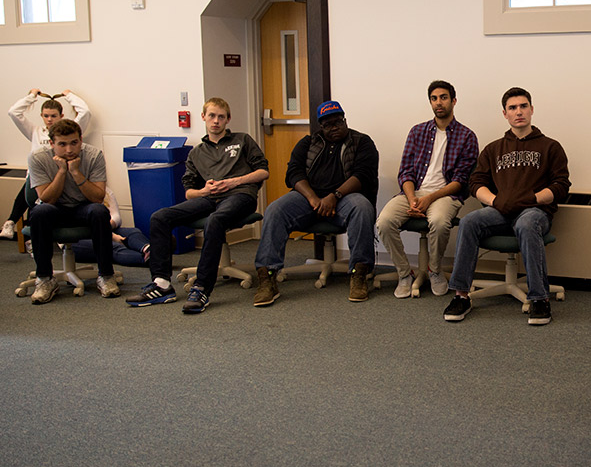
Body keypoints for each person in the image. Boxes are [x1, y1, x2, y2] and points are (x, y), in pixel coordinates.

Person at [126, 98, 269, 314]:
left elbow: (263, 172)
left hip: (240, 195)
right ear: (203, 117)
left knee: (216, 219)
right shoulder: (196, 152)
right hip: (209, 197)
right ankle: (162, 284)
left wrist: (233, 181)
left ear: (228, 119)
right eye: (211, 116)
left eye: (221, 117)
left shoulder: (242, 140)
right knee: (160, 217)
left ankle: (201, 287)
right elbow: (189, 191)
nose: (216, 121)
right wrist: (204, 191)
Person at [442, 87, 570, 326]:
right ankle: (460, 295)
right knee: (470, 221)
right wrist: (495, 201)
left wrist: (532, 199)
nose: (518, 112)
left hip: (535, 211)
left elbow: (561, 186)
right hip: (499, 211)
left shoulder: (550, 147)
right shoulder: (493, 149)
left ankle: (540, 299)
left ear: (531, 110)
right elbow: (476, 183)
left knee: (526, 222)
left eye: (523, 106)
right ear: (505, 113)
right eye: (512, 108)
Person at [253, 100, 378, 305]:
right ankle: (267, 277)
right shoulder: (308, 142)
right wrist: (313, 198)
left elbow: (363, 176)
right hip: (309, 198)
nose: (334, 127)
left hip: (345, 198)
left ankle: (359, 274)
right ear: (321, 126)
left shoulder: (362, 142)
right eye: (328, 124)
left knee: (362, 208)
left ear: (345, 120)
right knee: (275, 210)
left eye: (338, 121)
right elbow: (293, 173)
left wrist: (334, 196)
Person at [376, 80, 479, 298]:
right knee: (384, 222)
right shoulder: (417, 132)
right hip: (413, 192)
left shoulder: (467, 136)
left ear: (453, 101)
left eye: (443, 97)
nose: (438, 102)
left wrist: (429, 199)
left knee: (440, 223)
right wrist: (413, 198)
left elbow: (461, 180)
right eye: (434, 98)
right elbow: (405, 172)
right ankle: (404, 273)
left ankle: (434, 270)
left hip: (445, 194)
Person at [26, 119, 121, 304]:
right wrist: (62, 172)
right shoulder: (37, 157)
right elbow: (47, 198)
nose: (69, 150)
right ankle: (45, 279)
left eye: (74, 143)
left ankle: (106, 276)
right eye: (62, 144)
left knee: (99, 211)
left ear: (81, 140)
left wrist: (76, 173)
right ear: (52, 143)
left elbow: (97, 197)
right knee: (39, 212)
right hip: (55, 208)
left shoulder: (94, 155)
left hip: (83, 207)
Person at [2, 88, 91, 240]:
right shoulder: (35, 131)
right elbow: (13, 113)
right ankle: (12, 223)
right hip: (39, 175)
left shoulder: (70, 131)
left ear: (61, 116)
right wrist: (32, 96)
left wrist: (68, 96)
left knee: (42, 203)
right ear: (41, 116)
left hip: (63, 174)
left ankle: (16, 224)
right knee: (33, 195)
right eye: (46, 116)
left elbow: (85, 112)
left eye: (54, 116)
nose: (49, 119)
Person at [72, 188, 151, 267]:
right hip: (78, 237)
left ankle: (148, 249)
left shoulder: (103, 190)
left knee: (133, 232)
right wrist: (110, 235)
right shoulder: (70, 194)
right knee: (110, 246)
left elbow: (116, 217)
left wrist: (106, 229)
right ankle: (152, 261)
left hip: (108, 228)